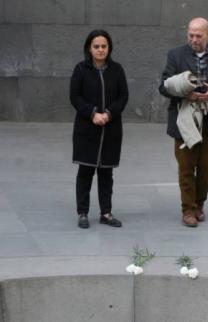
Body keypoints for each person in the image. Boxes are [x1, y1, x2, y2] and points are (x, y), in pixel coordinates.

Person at [159, 17, 208, 227]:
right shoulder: (175, 55)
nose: (194, 39)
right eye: (191, 35)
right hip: (183, 120)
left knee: (206, 167)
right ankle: (188, 210)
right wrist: (185, 93)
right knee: (186, 167)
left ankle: (199, 204)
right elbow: (163, 86)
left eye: (198, 36)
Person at [70, 29, 129, 229]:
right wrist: (93, 113)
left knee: (106, 174)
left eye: (104, 46)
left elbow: (123, 97)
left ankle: (106, 212)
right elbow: (75, 97)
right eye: (96, 46)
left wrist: (109, 114)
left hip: (111, 130)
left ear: (109, 48)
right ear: (89, 48)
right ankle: (83, 213)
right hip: (87, 129)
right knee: (85, 172)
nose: (100, 50)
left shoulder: (117, 70)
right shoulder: (80, 69)